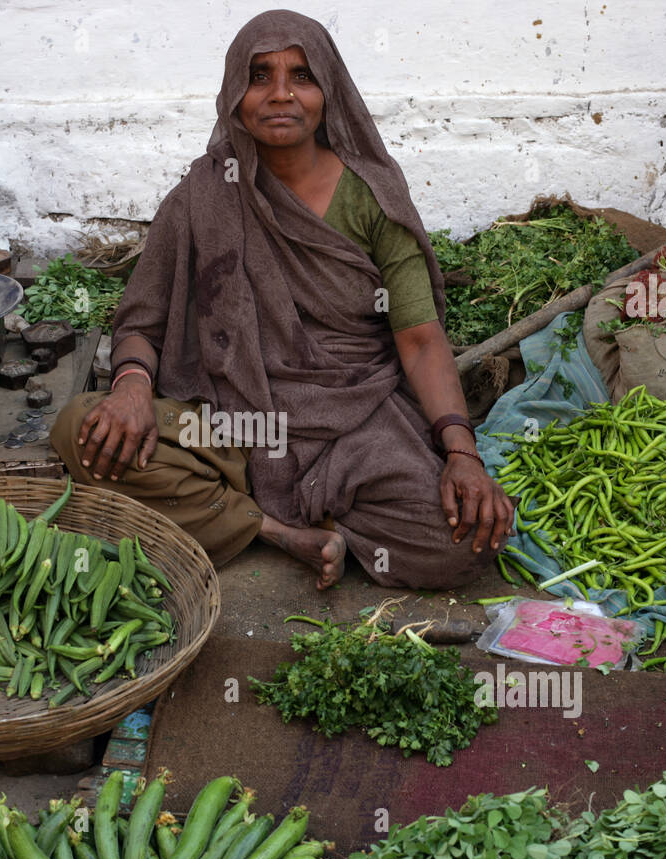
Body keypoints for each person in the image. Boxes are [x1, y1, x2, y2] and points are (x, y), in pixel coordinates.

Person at [51, 9, 514, 591]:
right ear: (233, 93)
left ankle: (256, 513)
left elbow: (420, 340)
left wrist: (461, 452)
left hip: (351, 423)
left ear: (328, 91)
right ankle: (278, 529)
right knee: (81, 431)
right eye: (259, 76)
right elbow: (143, 322)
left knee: (457, 547)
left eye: (301, 76)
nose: (280, 95)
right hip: (231, 425)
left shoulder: (372, 197)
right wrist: (133, 389)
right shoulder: (200, 196)